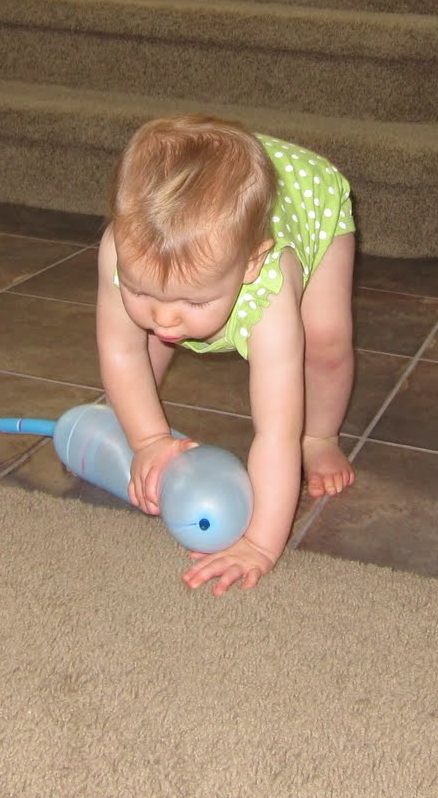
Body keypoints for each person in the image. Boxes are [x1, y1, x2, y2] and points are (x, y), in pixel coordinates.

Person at [96, 114, 358, 595]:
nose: (166, 317)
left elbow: (275, 433)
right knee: (145, 339)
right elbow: (120, 350)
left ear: (251, 264)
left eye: (193, 302)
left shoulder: (269, 297)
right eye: (140, 290)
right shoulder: (120, 249)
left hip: (311, 198)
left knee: (325, 343)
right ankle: (133, 415)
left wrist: (259, 544)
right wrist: (149, 440)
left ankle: (322, 437)